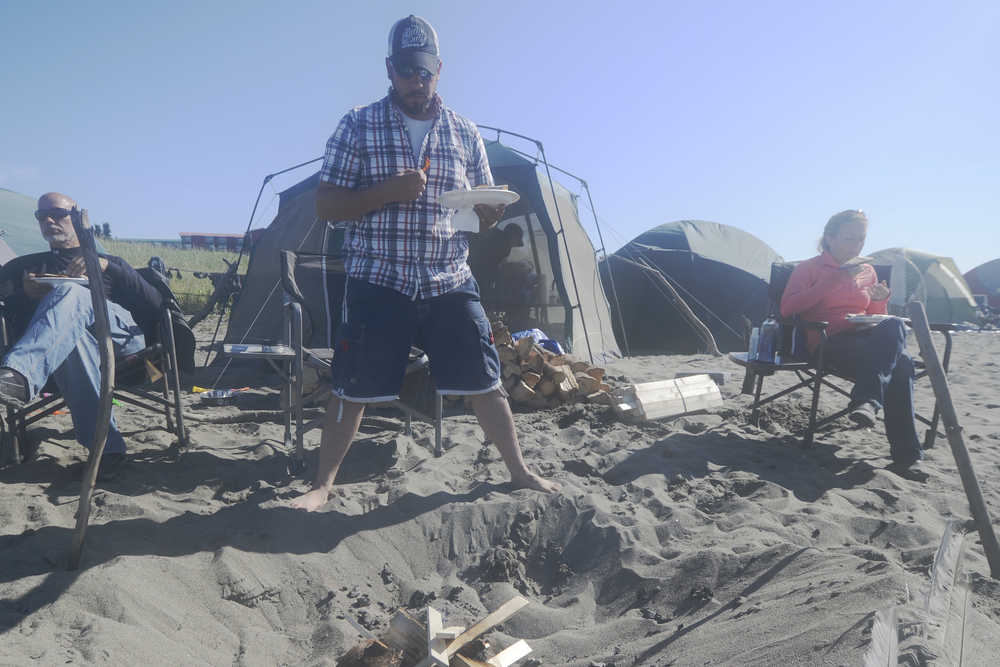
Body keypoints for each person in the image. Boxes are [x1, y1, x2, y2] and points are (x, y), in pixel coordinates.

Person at [289, 15, 558, 511]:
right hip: (378, 277)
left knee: (485, 377)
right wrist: (384, 192)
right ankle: (323, 485)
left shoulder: (463, 131)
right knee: (351, 386)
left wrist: (489, 211)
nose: (418, 82)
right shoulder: (358, 123)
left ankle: (519, 471)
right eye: (409, 71)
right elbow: (326, 205)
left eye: (426, 72)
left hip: (447, 276)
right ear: (390, 69)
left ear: (440, 70)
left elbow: (485, 207)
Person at [0, 192, 163, 476]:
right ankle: (108, 452)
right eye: (41, 216)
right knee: (74, 343)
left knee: (71, 291)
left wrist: (108, 267)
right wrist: (25, 296)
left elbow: (156, 305)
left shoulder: (108, 262)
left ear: (77, 218)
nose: (48, 220)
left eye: (57, 214)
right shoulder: (23, 269)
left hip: (123, 343)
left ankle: (19, 376)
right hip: (64, 352)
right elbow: (9, 316)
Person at [780, 209, 922, 469]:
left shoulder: (867, 270)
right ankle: (907, 457)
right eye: (850, 238)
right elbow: (787, 309)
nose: (857, 245)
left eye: (861, 239)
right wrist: (831, 282)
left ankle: (867, 402)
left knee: (893, 327)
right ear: (829, 238)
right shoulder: (809, 268)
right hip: (827, 342)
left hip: (865, 342)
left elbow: (874, 317)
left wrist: (880, 301)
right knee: (902, 364)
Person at [467, 223, 524, 306]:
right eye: (516, 241)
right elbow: (490, 268)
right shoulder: (504, 246)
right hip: (477, 280)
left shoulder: (494, 236)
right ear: (512, 236)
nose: (513, 246)